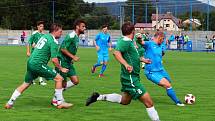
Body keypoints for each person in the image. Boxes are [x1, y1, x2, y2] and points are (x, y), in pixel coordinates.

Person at [86, 22, 160, 121]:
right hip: (130, 78)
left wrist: (142, 60)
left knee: (125, 101)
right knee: (149, 102)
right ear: (132, 31)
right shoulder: (124, 41)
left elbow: (131, 56)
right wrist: (126, 64)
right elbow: (116, 53)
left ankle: (98, 97)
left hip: (132, 77)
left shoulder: (128, 40)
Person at [5, 23, 73, 109]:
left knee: (26, 83)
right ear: (55, 31)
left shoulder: (45, 36)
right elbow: (54, 59)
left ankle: (9, 103)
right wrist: (61, 68)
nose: (61, 33)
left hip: (30, 62)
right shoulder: (53, 41)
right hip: (38, 64)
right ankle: (60, 103)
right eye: (60, 31)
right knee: (59, 78)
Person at [142, 31, 184, 106]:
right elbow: (141, 42)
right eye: (163, 39)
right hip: (151, 71)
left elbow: (161, 53)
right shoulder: (149, 44)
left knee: (169, 82)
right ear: (159, 37)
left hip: (161, 70)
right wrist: (138, 38)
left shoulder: (161, 45)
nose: (163, 40)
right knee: (168, 85)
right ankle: (178, 102)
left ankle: (160, 82)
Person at [51, 19, 86, 106]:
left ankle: (57, 95)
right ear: (77, 27)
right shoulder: (71, 36)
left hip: (68, 62)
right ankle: (57, 100)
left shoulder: (77, 37)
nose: (85, 28)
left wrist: (71, 59)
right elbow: (62, 48)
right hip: (62, 61)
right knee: (62, 82)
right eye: (83, 26)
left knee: (75, 81)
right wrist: (73, 56)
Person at [26, 21, 47, 85]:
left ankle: (40, 80)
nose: (42, 27)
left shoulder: (44, 35)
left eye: (43, 26)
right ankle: (33, 79)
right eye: (40, 26)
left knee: (41, 65)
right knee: (35, 66)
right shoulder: (35, 33)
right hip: (34, 53)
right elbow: (29, 42)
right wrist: (28, 51)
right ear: (37, 26)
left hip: (41, 53)